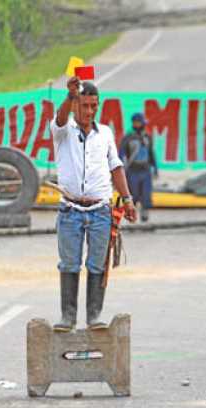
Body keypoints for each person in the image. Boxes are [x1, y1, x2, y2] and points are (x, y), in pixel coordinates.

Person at [50, 76, 137, 332]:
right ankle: (68, 317)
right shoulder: (63, 131)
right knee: (69, 264)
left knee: (98, 264)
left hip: (100, 210)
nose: (89, 111)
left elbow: (116, 166)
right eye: (84, 106)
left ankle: (94, 317)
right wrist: (69, 96)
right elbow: (60, 119)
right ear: (76, 105)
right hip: (70, 210)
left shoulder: (106, 134)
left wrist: (128, 199)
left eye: (93, 106)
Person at [119, 113, 158, 222]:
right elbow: (121, 153)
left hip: (145, 170)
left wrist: (155, 168)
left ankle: (144, 215)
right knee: (133, 194)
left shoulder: (147, 137)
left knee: (146, 193)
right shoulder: (128, 138)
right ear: (135, 123)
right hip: (132, 170)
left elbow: (151, 153)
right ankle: (131, 215)